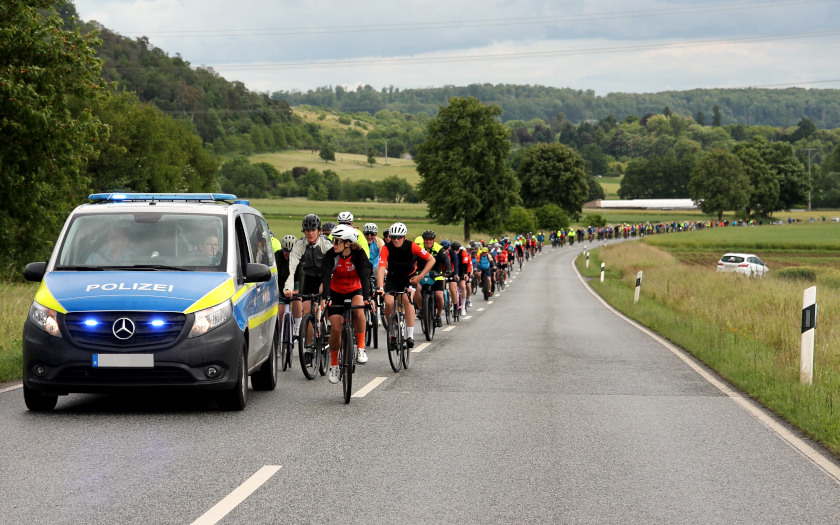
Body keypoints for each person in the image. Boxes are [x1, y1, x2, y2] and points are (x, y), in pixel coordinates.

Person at [321, 225, 372, 383]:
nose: (333, 244)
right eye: (332, 240)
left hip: (354, 289)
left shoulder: (359, 254)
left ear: (348, 243)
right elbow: (326, 276)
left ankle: (361, 348)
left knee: (359, 311)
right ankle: (335, 364)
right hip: (335, 291)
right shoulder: (331, 255)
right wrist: (325, 297)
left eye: (336, 241)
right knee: (336, 330)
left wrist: (367, 297)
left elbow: (364, 275)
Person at [376, 222, 435, 349]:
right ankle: (392, 333)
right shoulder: (386, 248)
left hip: (409, 278)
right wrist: (380, 287)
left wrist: (420, 276)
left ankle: (410, 336)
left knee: (408, 300)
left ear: (404, 237)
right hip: (393, 278)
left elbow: (431, 260)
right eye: (393, 237)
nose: (396, 240)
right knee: (389, 302)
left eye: (399, 237)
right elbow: (381, 269)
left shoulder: (412, 246)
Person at [284, 214, 332, 362]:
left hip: (325, 277)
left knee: (326, 303)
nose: (310, 233)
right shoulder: (300, 245)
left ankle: (328, 326)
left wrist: (326, 285)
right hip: (310, 279)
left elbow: (333, 266)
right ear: (304, 231)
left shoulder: (326, 245)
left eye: (314, 230)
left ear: (319, 231)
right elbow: (291, 268)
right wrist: (288, 288)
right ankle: (308, 348)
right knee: (307, 312)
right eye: (307, 230)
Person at [414, 230, 451, 328]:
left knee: (439, 295)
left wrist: (448, 269)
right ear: (424, 240)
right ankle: (421, 309)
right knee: (416, 288)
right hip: (421, 274)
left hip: (436, 275)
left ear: (433, 240)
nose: (428, 242)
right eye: (426, 240)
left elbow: (445, 259)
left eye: (430, 240)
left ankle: (438, 315)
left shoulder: (439, 248)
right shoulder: (419, 248)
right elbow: (412, 260)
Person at [275, 234, 302, 344]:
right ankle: (280, 335)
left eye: (290, 252)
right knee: (280, 310)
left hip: (294, 281)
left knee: (297, 301)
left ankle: (297, 329)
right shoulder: (277, 256)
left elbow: (301, 274)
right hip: (280, 284)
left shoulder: (299, 257)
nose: (288, 254)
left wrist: (297, 290)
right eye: (286, 251)